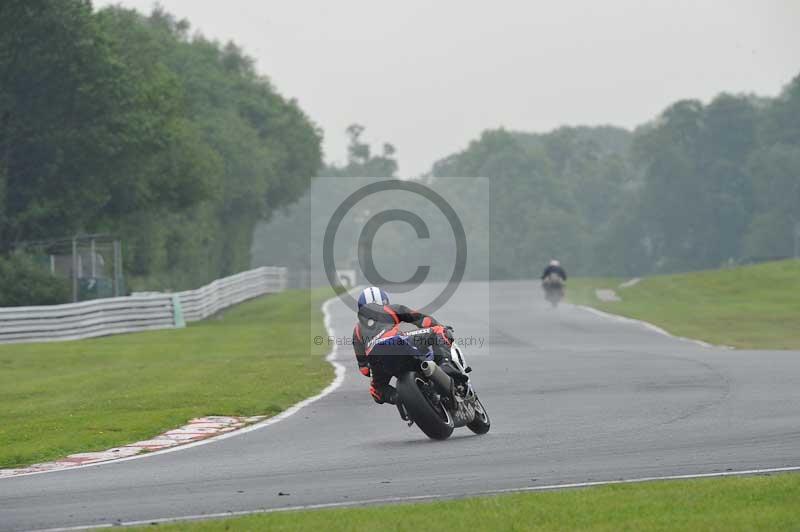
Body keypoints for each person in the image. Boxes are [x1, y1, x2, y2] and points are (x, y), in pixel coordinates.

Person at [352, 286, 455, 405]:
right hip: (397, 342)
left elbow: (364, 369)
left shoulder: (357, 330)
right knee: (439, 330)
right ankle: (446, 365)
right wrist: (439, 326)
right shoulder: (392, 309)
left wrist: (377, 368)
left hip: (375, 356)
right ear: (385, 302)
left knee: (377, 391)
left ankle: (401, 400)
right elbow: (424, 321)